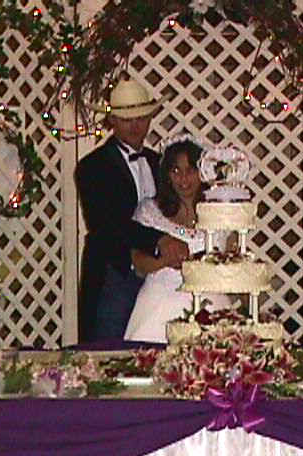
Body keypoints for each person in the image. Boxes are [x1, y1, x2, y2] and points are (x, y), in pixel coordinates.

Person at [76, 77, 189, 342]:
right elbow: (108, 224)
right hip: (114, 273)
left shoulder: (158, 162)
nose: (135, 125)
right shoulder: (93, 166)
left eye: (141, 118)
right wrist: (158, 240)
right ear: (112, 120)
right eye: (127, 119)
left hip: (157, 276)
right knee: (109, 349)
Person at [124, 137, 232, 343]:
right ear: (167, 174)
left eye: (190, 170)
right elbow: (138, 264)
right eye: (176, 171)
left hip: (211, 306)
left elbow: (233, 263)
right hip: (158, 305)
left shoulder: (220, 211)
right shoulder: (150, 211)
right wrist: (165, 260)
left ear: (203, 172)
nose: (183, 179)